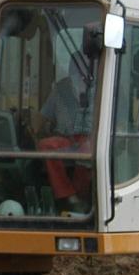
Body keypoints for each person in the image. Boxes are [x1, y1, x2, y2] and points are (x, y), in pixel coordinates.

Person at [36, 53, 95, 213]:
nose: (77, 69)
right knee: (46, 146)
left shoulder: (101, 87)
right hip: (66, 139)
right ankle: (69, 196)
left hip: (92, 138)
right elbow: (42, 117)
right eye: (74, 65)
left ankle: (83, 200)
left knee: (86, 152)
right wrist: (33, 129)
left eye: (81, 65)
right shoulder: (61, 88)